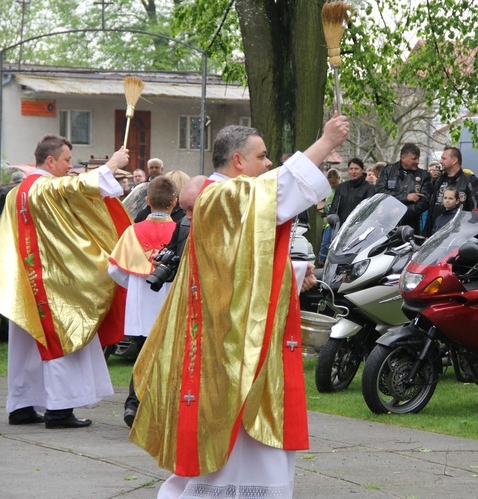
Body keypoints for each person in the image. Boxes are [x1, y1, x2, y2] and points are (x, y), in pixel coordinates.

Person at [129, 113, 348, 498]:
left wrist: (294, 271)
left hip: (231, 332)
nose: (268, 164)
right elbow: (277, 189)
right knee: (224, 431)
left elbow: (241, 266)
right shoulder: (221, 196)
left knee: (243, 436)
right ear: (238, 161)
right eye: (262, 156)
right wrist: (326, 142)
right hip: (224, 343)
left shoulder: (222, 199)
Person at [0, 135, 131, 429]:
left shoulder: (16, 193)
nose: (71, 167)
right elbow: (78, 187)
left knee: (26, 350)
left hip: (25, 283)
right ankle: (59, 411)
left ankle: (21, 406)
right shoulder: (44, 188)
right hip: (51, 284)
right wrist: (111, 165)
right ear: (50, 161)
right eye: (67, 160)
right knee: (64, 338)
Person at [108, 176, 179, 428]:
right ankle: (161, 410)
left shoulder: (132, 231)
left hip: (140, 308)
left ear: (147, 201)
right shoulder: (181, 231)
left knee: (142, 356)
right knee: (168, 358)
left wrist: (136, 285)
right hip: (170, 305)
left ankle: (133, 404)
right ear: (175, 203)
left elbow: (114, 270)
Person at [425, 146, 478, 236]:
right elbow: (431, 208)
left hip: (457, 236)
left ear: (454, 160)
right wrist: (427, 233)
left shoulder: (470, 181)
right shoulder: (440, 180)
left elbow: (476, 213)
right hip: (436, 235)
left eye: (444, 158)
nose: (440, 161)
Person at [376, 143, 432, 233]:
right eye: (414, 159)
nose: (417, 161)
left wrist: (401, 212)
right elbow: (380, 192)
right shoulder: (388, 171)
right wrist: (405, 197)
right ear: (403, 158)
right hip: (386, 225)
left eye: (418, 158)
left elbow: (424, 202)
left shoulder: (424, 175)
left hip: (410, 227)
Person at [329, 157, 375, 224]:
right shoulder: (341, 187)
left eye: (356, 169)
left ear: (362, 170)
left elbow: (369, 210)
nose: (353, 172)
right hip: (342, 228)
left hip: (359, 228)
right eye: (351, 169)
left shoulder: (369, 188)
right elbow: (334, 209)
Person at [316, 168, 342, 266]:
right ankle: (321, 259)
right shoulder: (328, 191)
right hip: (328, 220)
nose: (332, 185)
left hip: (338, 220)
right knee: (326, 240)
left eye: (334, 183)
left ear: (339, 179)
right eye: (330, 183)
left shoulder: (343, 188)